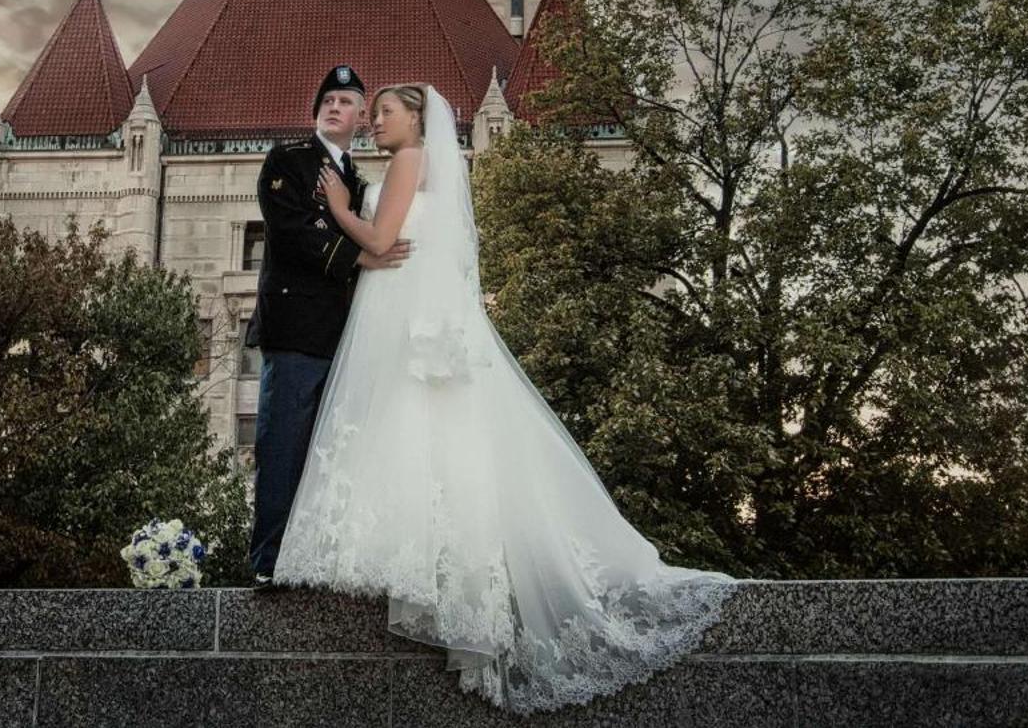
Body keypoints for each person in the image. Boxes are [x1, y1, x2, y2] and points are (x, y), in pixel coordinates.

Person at [269, 82, 742, 715]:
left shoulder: (408, 162)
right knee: (418, 430)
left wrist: (340, 208)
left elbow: (379, 243)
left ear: (416, 120)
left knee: (403, 425)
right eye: (372, 112)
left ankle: (410, 561)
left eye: (384, 112)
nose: (375, 122)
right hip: (396, 309)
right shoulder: (418, 164)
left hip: (396, 308)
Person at [243, 64, 412, 586]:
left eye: (345, 101)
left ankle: (312, 558)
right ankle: (269, 562)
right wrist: (358, 259)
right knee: (282, 444)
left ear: (362, 116)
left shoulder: (358, 180)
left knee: (329, 453)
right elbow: (292, 230)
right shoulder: (288, 159)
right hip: (295, 328)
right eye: (327, 100)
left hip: (344, 334)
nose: (333, 107)